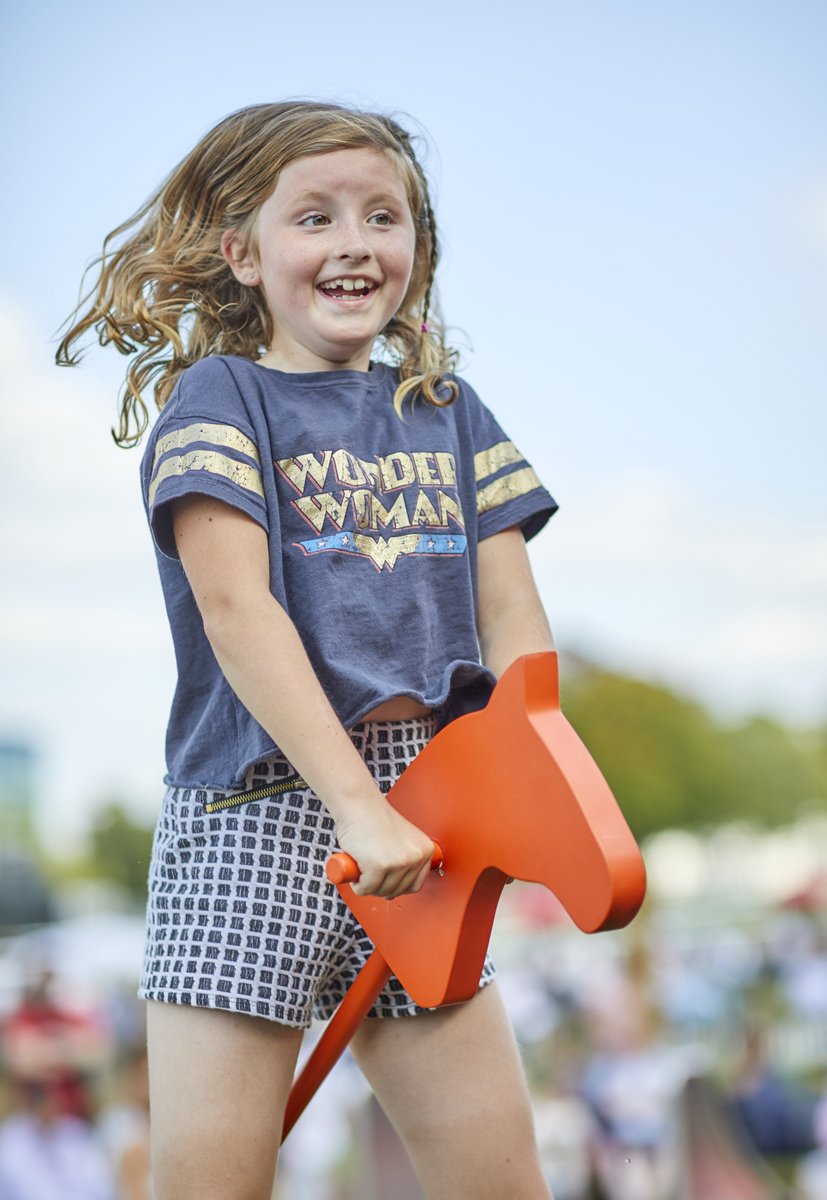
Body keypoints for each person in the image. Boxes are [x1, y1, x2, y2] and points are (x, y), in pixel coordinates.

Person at [57, 100, 558, 1200]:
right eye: (314, 217)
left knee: (501, 1183)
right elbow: (238, 612)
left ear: (413, 248)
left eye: (383, 216)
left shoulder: (449, 411)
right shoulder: (222, 398)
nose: (352, 243)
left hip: (423, 813)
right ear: (242, 253)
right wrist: (352, 801)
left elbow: (513, 618)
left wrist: (513, 773)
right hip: (262, 807)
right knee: (213, 1183)